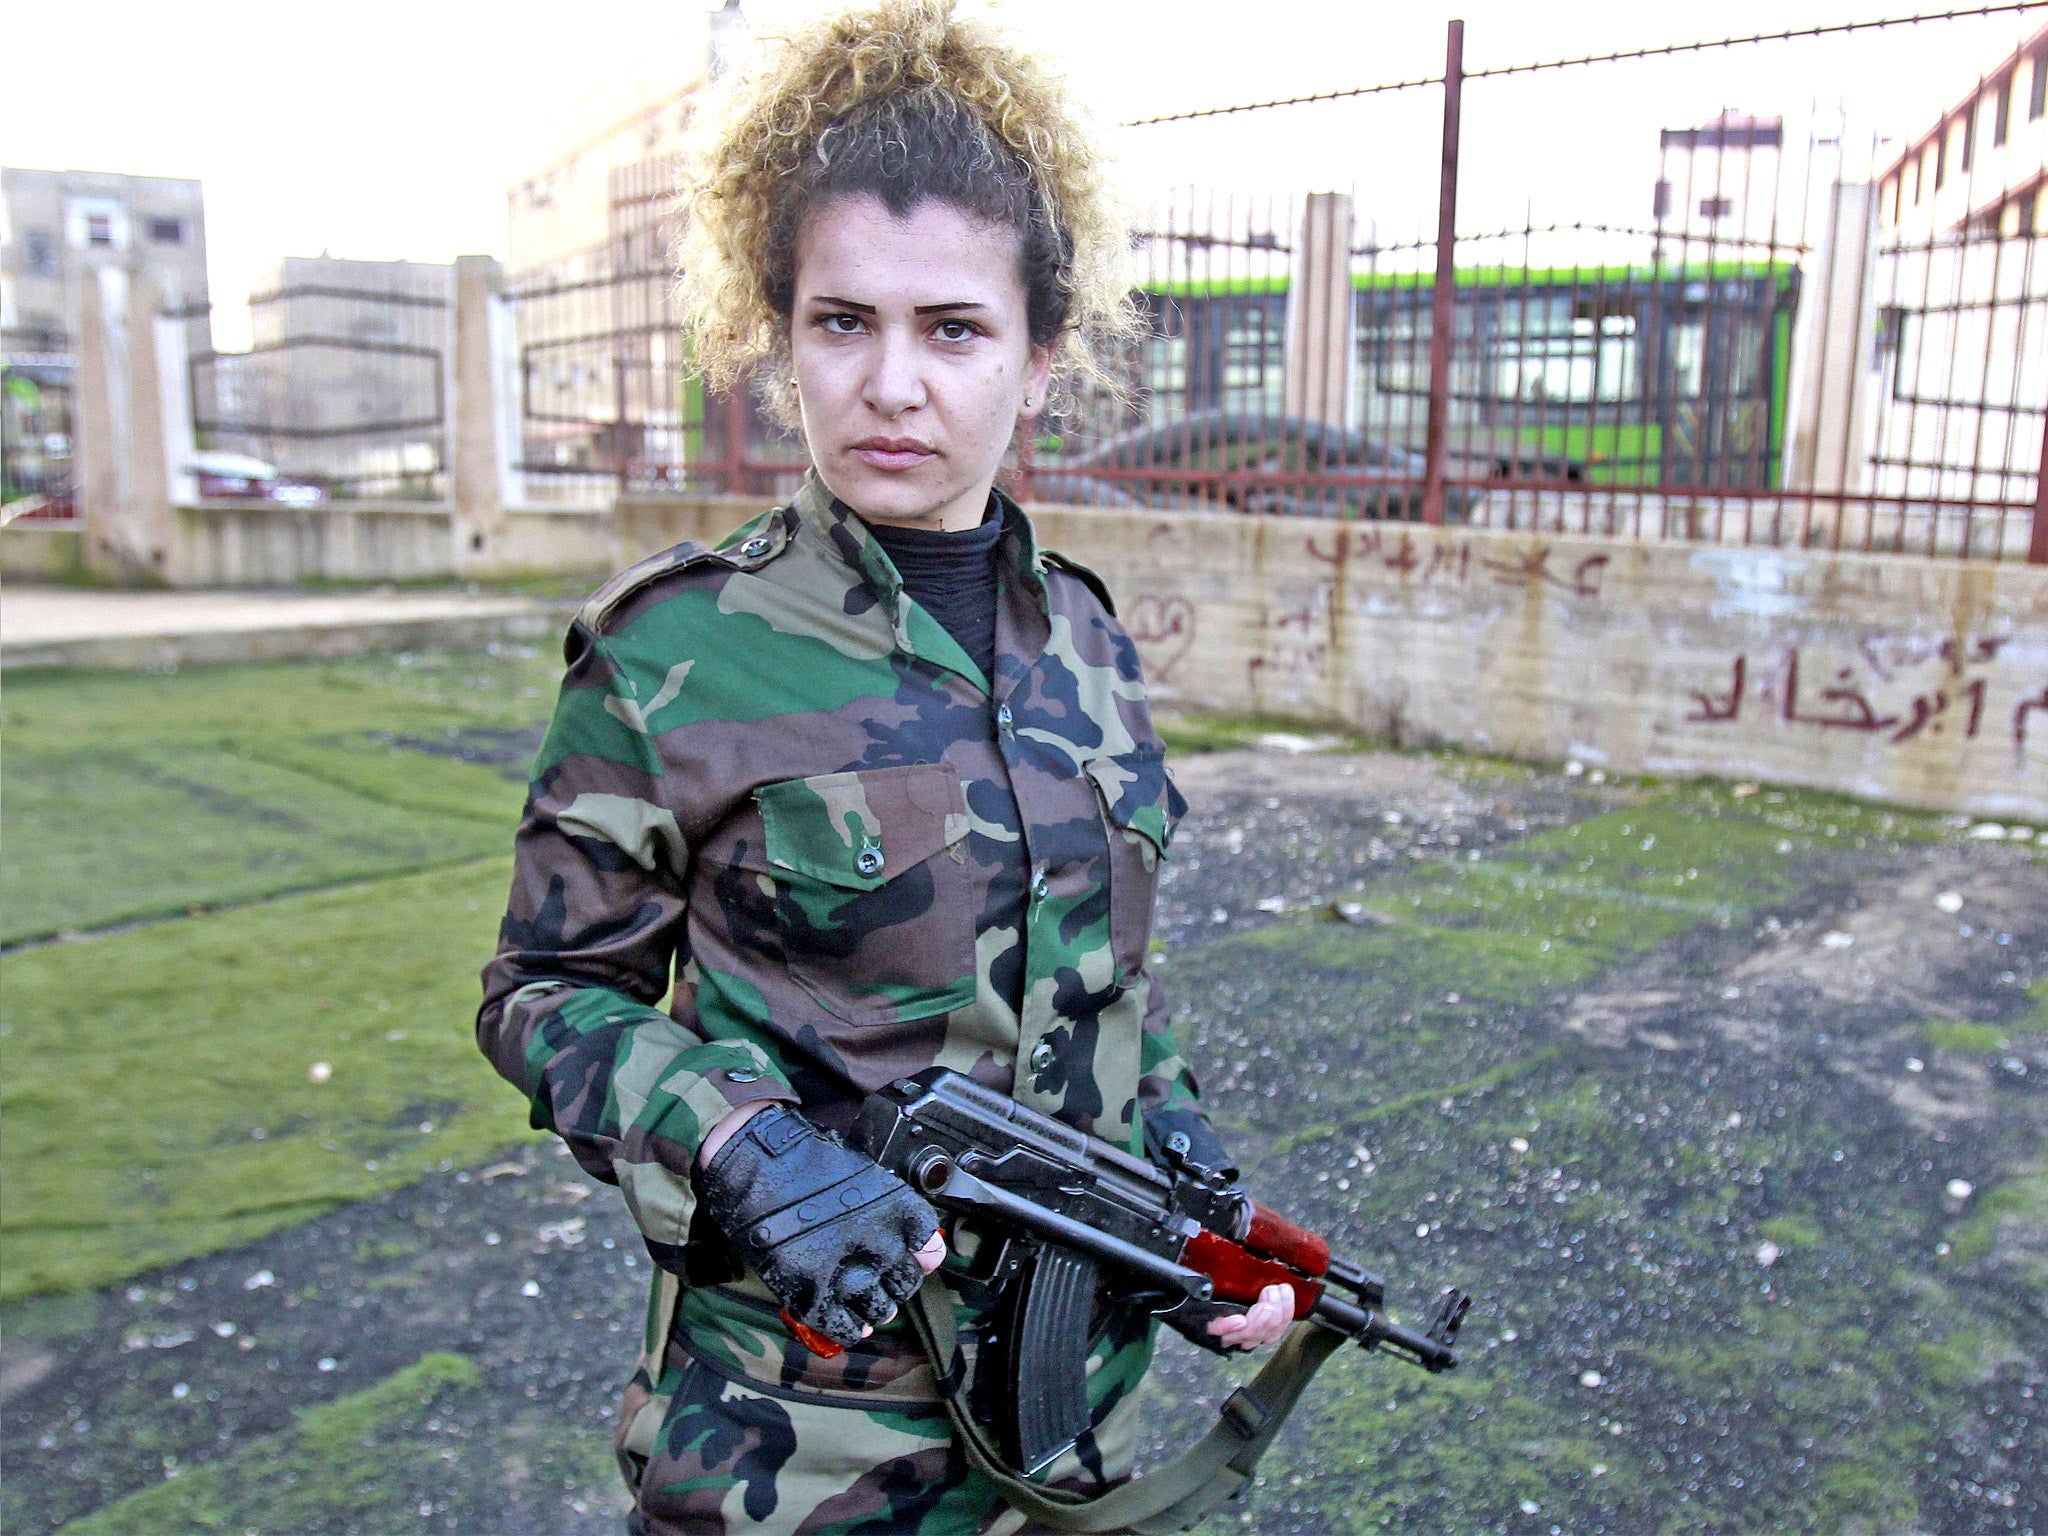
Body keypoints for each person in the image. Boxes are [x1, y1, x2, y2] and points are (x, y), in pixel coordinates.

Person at [476, 4, 1291, 1530]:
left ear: (1042, 359)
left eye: (955, 329)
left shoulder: (1092, 650)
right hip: (795, 1446)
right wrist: (736, 1140)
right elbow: (542, 992)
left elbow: (1104, 989)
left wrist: (1177, 1163)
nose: (892, 383)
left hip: (1066, 1420)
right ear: (781, 337)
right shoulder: (677, 652)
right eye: (842, 322)